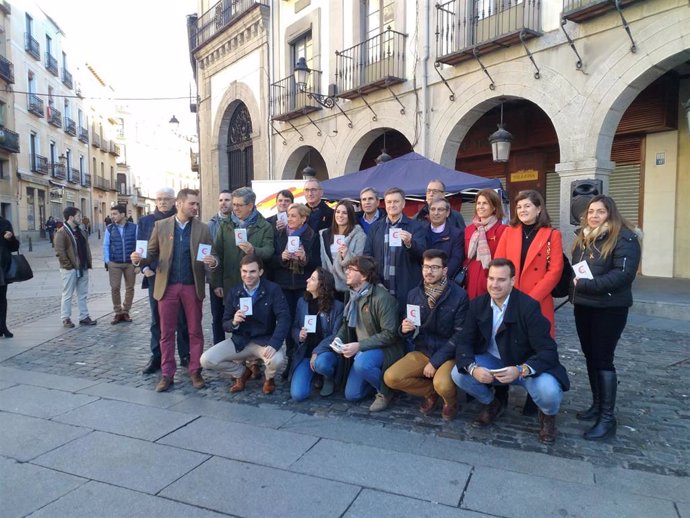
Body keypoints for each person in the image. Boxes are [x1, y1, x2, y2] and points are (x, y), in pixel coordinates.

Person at [451, 258, 570, 444]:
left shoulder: (528, 307)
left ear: (512, 281)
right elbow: (464, 342)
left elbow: (548, 351)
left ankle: (548, 416)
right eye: (491, 279)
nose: (494, 284)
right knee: (459, 374)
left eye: (501, 280)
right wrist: (474, 368)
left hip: (525, 366)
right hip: (494, 363)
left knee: (549, 391)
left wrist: (521, 369)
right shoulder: (477, 305)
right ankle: (492, 403)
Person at [131, 188, 217, 393]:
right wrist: (139, 259)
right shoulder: (161, 226)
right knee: (166, 332)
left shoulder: (202, 229)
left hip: (191, 285)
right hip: (167, 287)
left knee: (195, 331)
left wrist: (213, 262)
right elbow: (151, 253)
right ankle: (167, 374)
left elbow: (212, 254)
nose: (196, 207)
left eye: (197, 204)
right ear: (179, 204)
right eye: (192, 204)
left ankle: (195, 370)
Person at [571, 194, 641, 441]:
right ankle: (597, 405)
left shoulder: (625, 238)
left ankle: (607, 418)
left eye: (600, 211)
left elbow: (623, 275)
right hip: (585, 306)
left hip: (609, 308)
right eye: (590, 211)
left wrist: (587, 286)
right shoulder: (584, 238)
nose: (594, 215)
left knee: (603, 359)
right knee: (591, 356)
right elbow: (576, 270)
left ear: (610, 213)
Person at [383, 249, 469, 420]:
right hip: (423, 350)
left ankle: (450, 402)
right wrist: (404, 328)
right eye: (426, 267)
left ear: (444, 270)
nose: (429, 272)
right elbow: (410, 327)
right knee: (391, 377)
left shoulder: (459, 295)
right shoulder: (414, 294)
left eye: (435, 267)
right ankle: (431, 393)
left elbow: (460, 336)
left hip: (449, 354)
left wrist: (436, 362)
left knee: (442, 384)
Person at [201, 255, 290, 395]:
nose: (248, 275)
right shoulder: (235, 292)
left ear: (260, 272)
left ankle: (269, 378)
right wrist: (234, 322)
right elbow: (225, 323)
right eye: (244, 271)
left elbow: (284, 318)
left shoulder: (273, 289)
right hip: (240, 341)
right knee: (206, 360)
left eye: (252, 271)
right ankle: (242, 373)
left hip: (263, 341)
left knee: (277, 360)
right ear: (241, 272)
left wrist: (274, 343)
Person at [324, 255, 403, 411]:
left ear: (365, 276)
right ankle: (376, 381)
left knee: (362, 365)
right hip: (363, 349)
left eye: (352, 270)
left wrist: (358, 346)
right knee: (352, 395)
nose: (347, 272)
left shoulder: (382, 298)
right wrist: (339, 339)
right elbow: (347, 325)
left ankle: (385, 392)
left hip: (385, 349)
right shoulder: (352, 294)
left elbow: (390, 335)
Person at [137, 188, 190, 375]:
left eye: (166, 199)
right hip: (155, 276)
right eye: (159, 199)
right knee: (156, 319)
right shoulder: (145, 221)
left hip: (178, 276)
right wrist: (144, 268)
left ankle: (185, 355)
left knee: (182, 319)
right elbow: (141, 247)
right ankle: (157, 356)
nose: (162, 202)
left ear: (174, 201)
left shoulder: (182, 219)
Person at [495, 190, 563, 337]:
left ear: (538, 209)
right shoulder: (509, 232)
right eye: (519, 207)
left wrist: (531, 299)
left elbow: (555, 270)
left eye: (527, 206)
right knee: (511, 343)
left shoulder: (552, 234)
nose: (522, 210)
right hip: (511, 296)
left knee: (537, 342)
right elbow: (499, 263)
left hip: (538, 298)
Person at [212, 187, 274, 347]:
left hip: (254, 284)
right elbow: (217, 253)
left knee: (253, 320)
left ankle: (254, 362)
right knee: (231, 319)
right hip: (231, 282)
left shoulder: (265, 226)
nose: (235, 208)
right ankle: (230, 353)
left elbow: (269, 252)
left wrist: (254, 251)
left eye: (239, 205)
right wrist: (217, 282)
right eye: (234, 204)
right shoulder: (225, 225)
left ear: (251, 205)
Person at [271, 202, 320, 375]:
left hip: (303, 285)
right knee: (287, 321)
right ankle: (291, 360)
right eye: (288, 215)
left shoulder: (312, 236)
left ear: (303, 218)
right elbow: (271, 260)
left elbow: (318, 264)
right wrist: (281, 257)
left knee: (305, 322)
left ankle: (307, 358)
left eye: (293, 216)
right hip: (284, 285)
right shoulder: (279, 234)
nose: (289, 218)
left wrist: (305, 258)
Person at [363, 187, 426, 314]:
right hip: (381, 288)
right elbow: (367, 257)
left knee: (406, 327)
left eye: (396, 201)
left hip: (407, 289)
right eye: (389, 202)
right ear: (385, 204)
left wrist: (410, 244)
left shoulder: (416, 227)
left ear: (403, 204)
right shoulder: (376, 227)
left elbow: (423, 255)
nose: (392, 205)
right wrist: (376, 281)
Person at [289, 268, 344, 401]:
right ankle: (315, 376)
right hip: (306, 354)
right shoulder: (302, 302)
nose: (307, 280)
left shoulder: (337, 307)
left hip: (326, 353)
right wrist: (299, 335)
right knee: (298, 395)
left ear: (322, 285)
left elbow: (336, 335)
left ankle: (328, 377)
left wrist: (317, 351)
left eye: (312, 279)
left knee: (321, 364)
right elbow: (294, 327)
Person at [55, 207, 97, 328]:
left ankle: (84, 316)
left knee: (83, 294)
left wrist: (88, 262)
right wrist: (69, 266)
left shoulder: (81, 231)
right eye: (78, 216)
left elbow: (86, 248)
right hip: (70, 269)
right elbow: (60, 251)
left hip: (83, 266)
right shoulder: (61, 232)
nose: (81, 218)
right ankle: (66, 318)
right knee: (67, 294)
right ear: (71, 217)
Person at [463, 188, 507, 300]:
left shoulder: (503, 230)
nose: (480, 207)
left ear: (494, 207)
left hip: (491, 279)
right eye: (478, 203)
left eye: (485, 203)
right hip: (470, 280)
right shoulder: (468, 230)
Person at [318, 200, 366, 297]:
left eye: (345, 213)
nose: (340, 215)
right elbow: (323, 261)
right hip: (329, 287)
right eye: (338, 212)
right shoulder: (325, 234)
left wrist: (347, 255)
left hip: (349, 286)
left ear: (350, 216)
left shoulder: (359, 235)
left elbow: (359, 261)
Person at [103, 204, 137, 324]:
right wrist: (107, 261)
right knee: (115, 287)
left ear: (123, 214)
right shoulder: (109, 228)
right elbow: (106, 245)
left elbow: (138, 245)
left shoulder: (134, 227)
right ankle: (118, 312)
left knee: (130, 287)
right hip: (114, 263)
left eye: (115, 214)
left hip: (130, 263)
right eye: (112, 214)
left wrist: (137, 263)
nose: (113, 216)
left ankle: (126, 311)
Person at [207, 190, 233, 346]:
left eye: (227, 200)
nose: (224, 203)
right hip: (216, 277)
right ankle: (219, 347)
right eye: (221, 200)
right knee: (217, 316)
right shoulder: (210, 224)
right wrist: (214, 281)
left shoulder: (237, 222)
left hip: (235, 276)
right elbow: (209, 252)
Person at [425, 198, 464, 279]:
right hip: (424, 279)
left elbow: (456, 259)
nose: (436, 213)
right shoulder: (420, 231)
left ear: (447, 213)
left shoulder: (456, 234)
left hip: (446, 281)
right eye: (433, 209)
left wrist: (441, 275)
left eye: (440, 210)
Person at [0, 215, 20, 337]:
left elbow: (15, 247)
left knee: (2, 299)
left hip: (2, 267)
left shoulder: (4, 223)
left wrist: (10, 239)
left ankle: (3, 327)